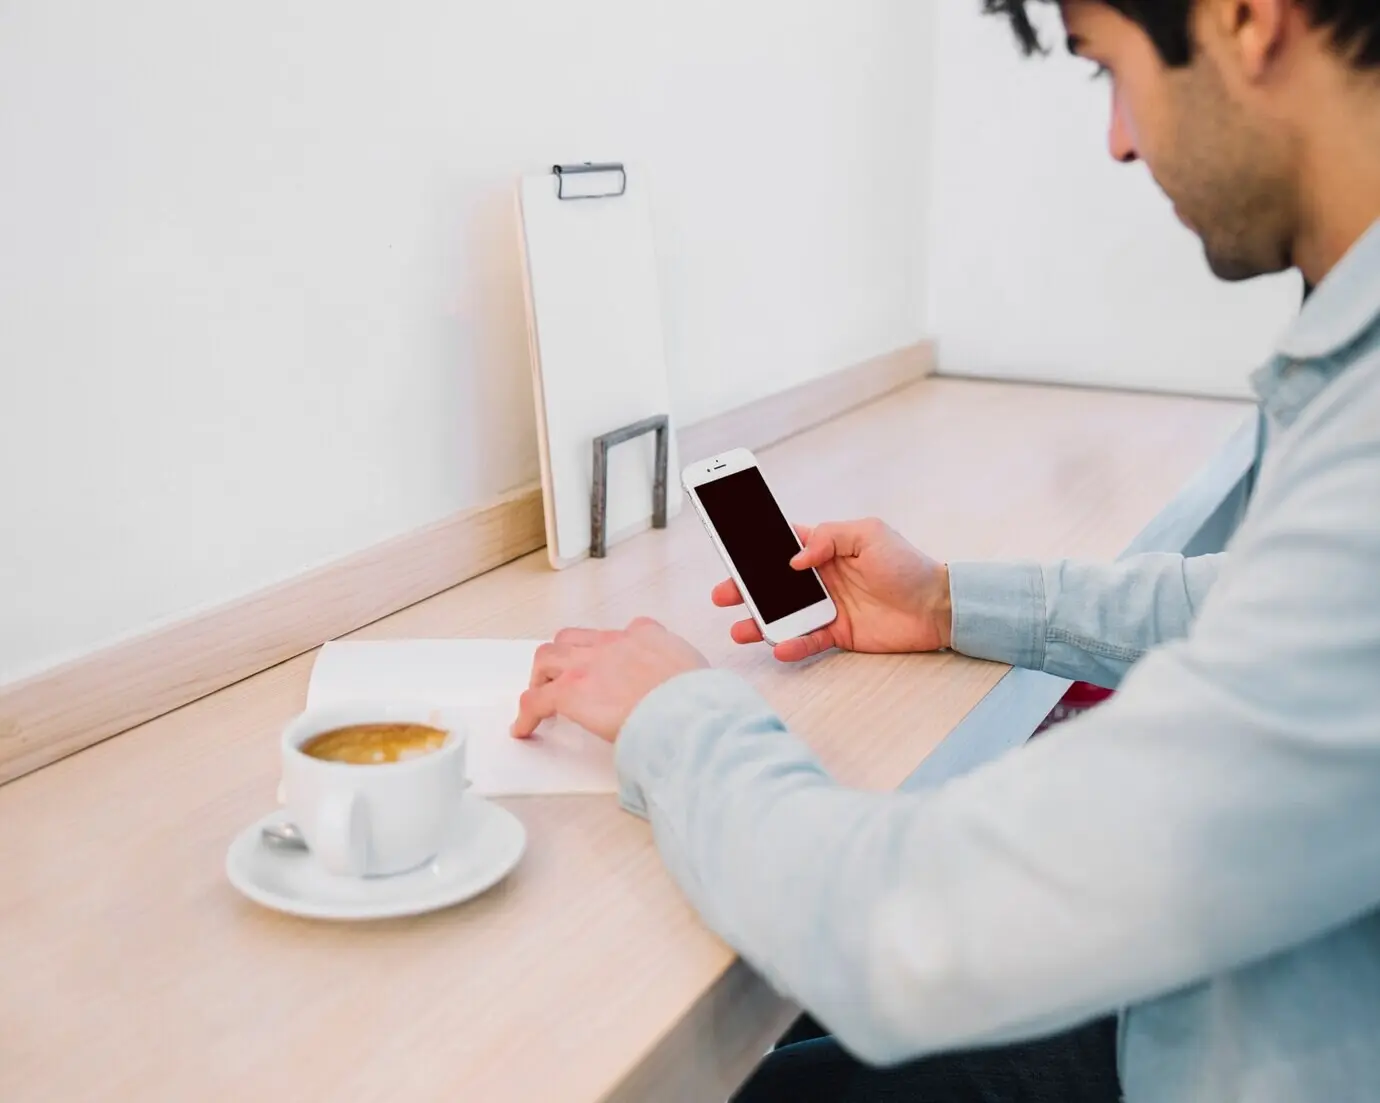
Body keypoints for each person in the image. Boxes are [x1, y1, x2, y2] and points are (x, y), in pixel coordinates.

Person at [510, 1, 1380, 1099]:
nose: (1119, 137)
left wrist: (670, 716)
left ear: (1247, 18)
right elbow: (1274, 612)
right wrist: (950, 601)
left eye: (1107, 67)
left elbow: (900, 935)